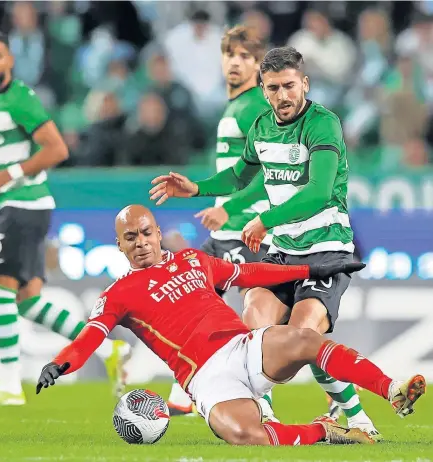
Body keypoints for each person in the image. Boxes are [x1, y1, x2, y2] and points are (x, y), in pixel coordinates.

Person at [36, 205, 426, 447]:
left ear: (157, 232)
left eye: (146, 232)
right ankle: (325, 433)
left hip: (245, 348)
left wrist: (311, 269)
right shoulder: (118, 293)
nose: (141, 242)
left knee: (305, 338)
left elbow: (250, 271)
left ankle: (390, 389)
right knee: (244, 436)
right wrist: (60, 363)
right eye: (130, 237)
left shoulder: (193, 259)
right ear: (119, 245)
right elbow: (90, 336)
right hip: (206, 380)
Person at [149, 46, 380, 438]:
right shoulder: (261, 127)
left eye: (289, 86)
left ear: (304, 83)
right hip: (284, 248)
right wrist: (196, 189)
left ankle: (359, 418)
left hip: (326, 245)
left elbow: (320, 190)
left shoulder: (323, 124)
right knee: (254, 317)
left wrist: (263, 219)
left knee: (302, 336)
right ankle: (265, 413)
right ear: (263, 89)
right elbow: (240, 175)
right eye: (273, 88)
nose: (282, 96)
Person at [0, 32, 128, 406]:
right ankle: (109, 351)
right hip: (19, 205)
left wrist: (7, 177)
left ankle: (9, 387)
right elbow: (4, 151)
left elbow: (57, 148)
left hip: (24, 203)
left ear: (9, 60)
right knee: (26, 301)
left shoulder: (20, 98)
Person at [167, 24, 274, 417]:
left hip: (248, 231)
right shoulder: (234, 107)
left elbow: (271, 174)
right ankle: (184, 393)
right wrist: (201, 190)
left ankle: (264, 406)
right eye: (230, 53)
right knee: (195, 301)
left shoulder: (254, 109)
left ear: (260, 64)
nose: (235, 61)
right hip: (228, 231)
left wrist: (229, 207)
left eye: (246, 56)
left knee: (256, 320)